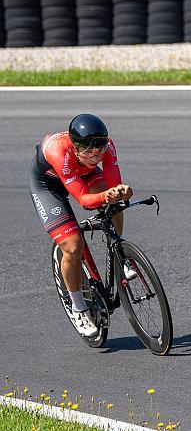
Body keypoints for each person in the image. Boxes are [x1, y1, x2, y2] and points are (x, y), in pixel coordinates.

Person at [29, 114, 134, 337]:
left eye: (99, 149)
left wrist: (118, 192)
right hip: (49, 187)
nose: (95, 155)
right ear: (74, 146)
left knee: (114, 202)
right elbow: (84, 200)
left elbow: (113, 184)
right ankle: (78, 308)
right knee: (73, 246)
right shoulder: (59, 150)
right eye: (87, 150)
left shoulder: (106, 146)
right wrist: (106, 194)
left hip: (82, 175)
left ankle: (119, 255)